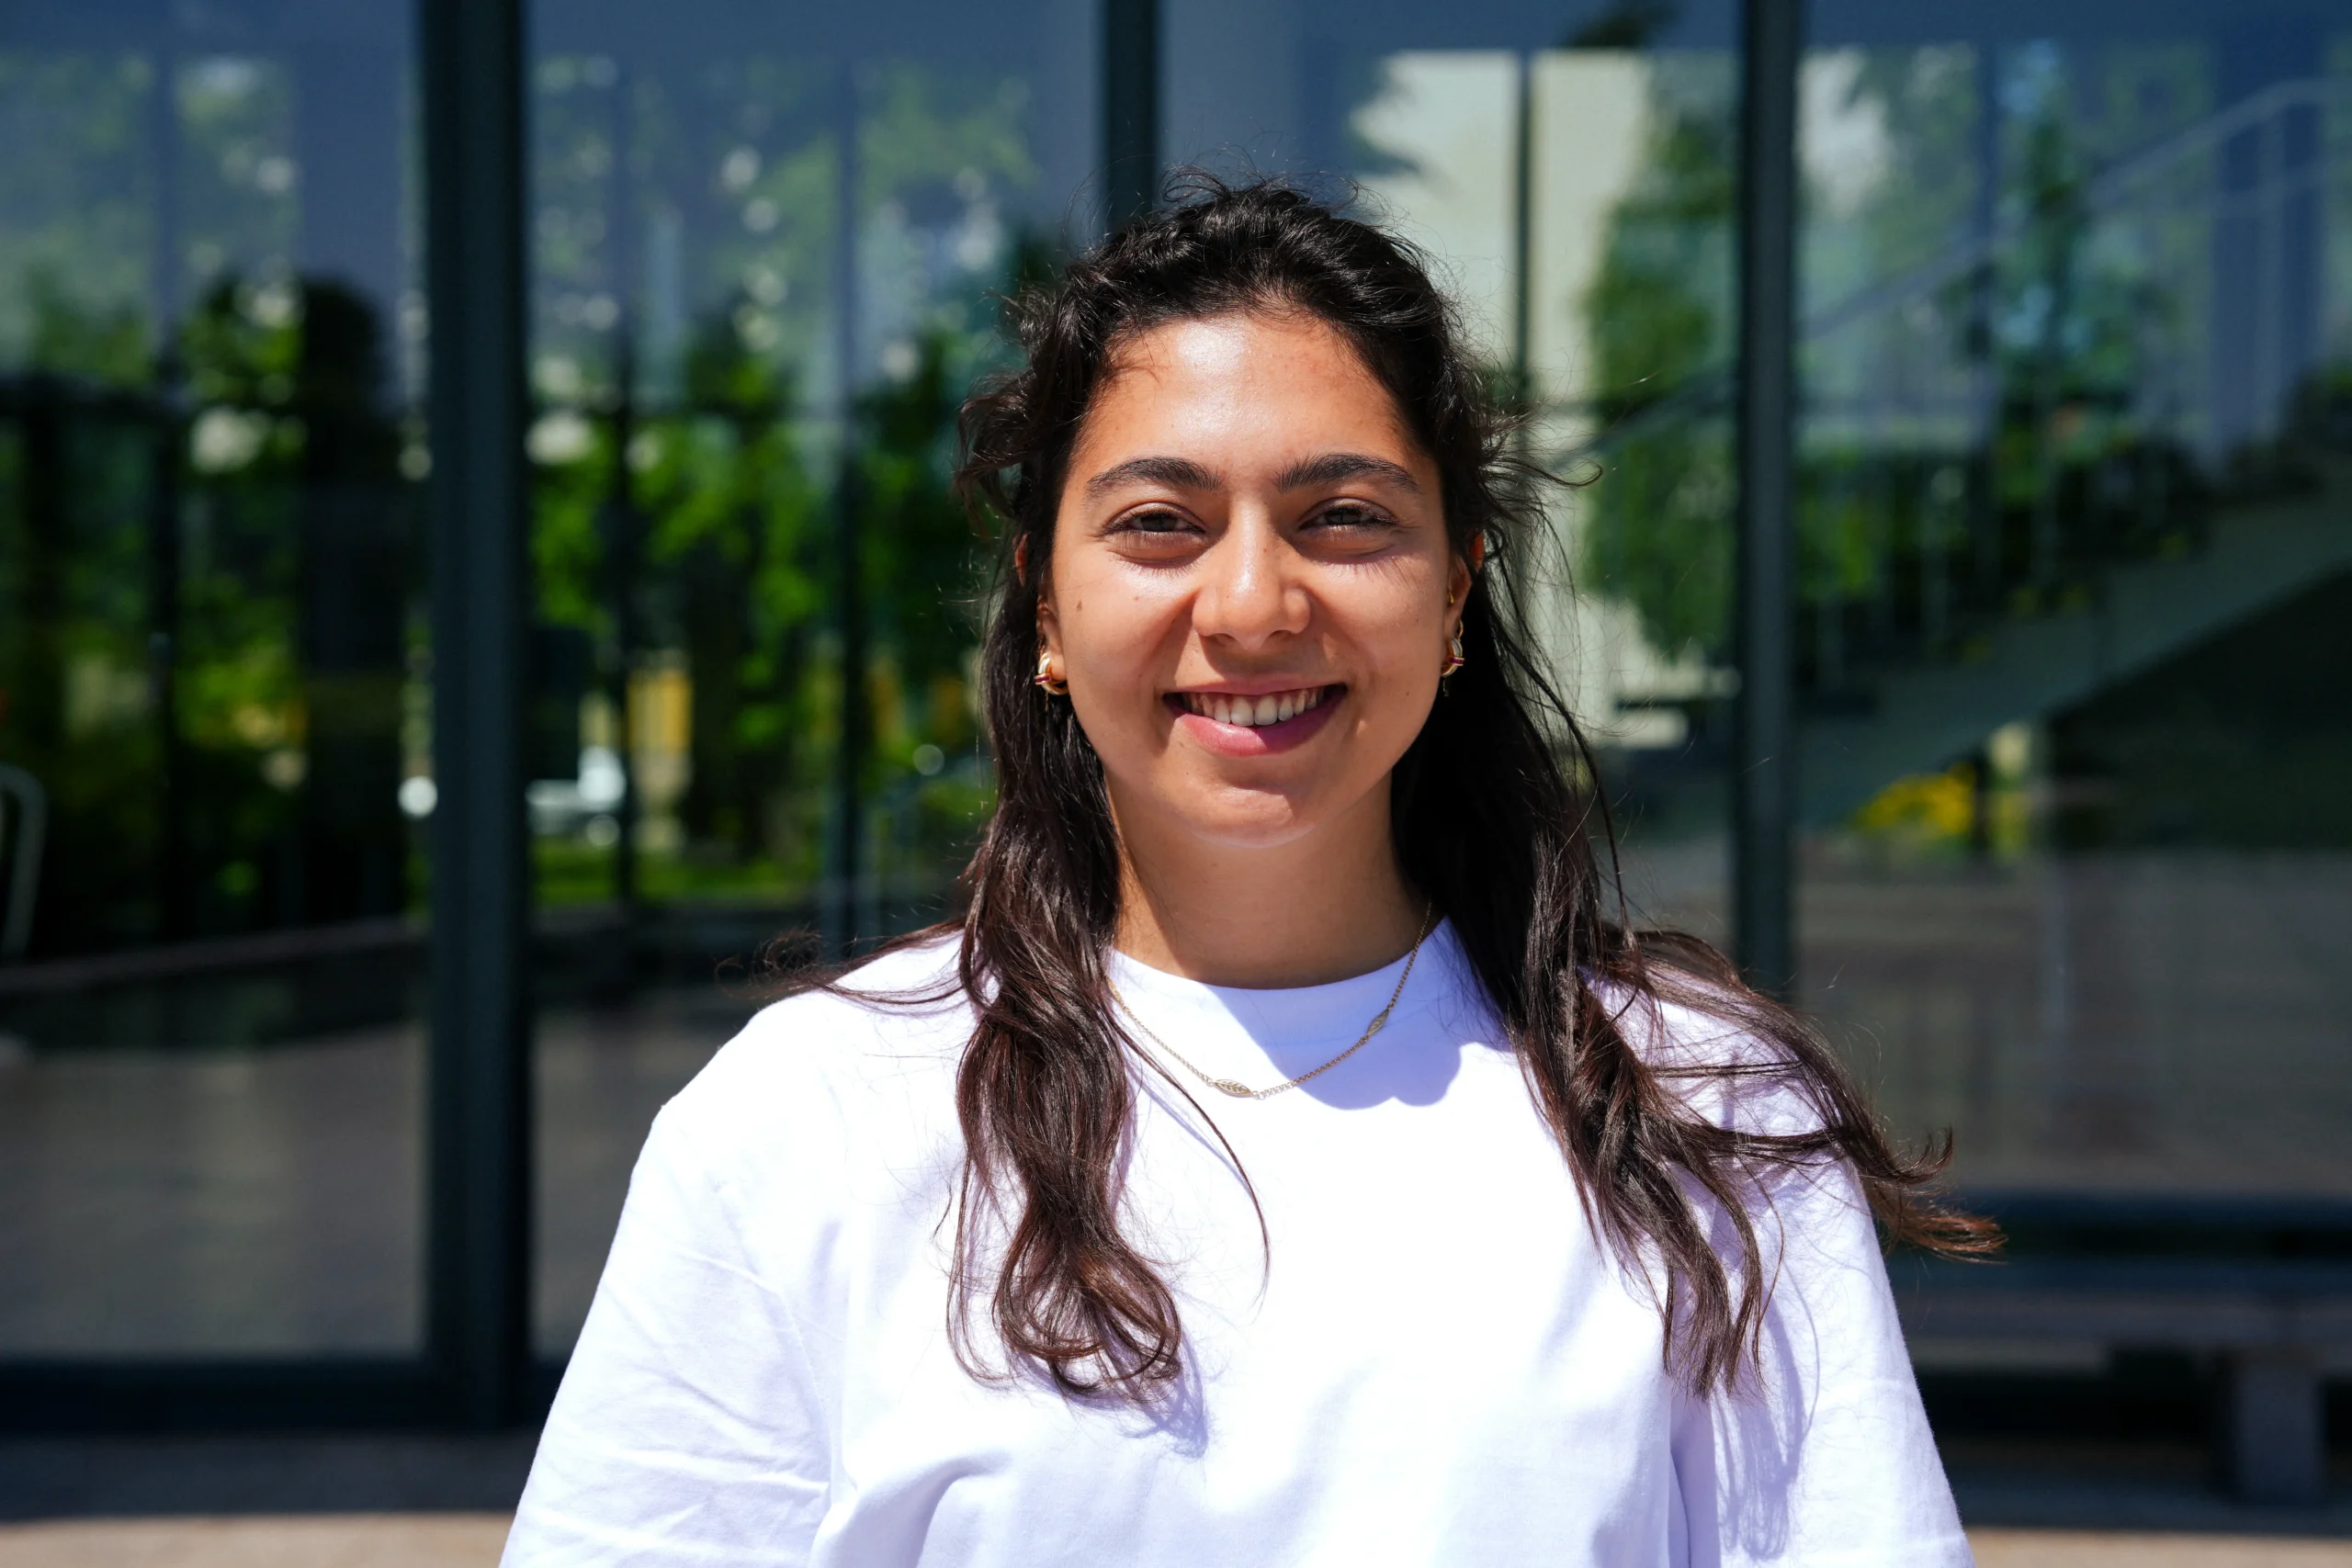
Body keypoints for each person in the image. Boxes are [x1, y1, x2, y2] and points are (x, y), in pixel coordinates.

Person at [503, 177, 1990, 1567]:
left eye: (1344, 517)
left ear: (1456, 591)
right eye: (1160, 523)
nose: (1254, 603)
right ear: (1043, 604)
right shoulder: (807, 1122)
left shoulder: (1698, 1108)